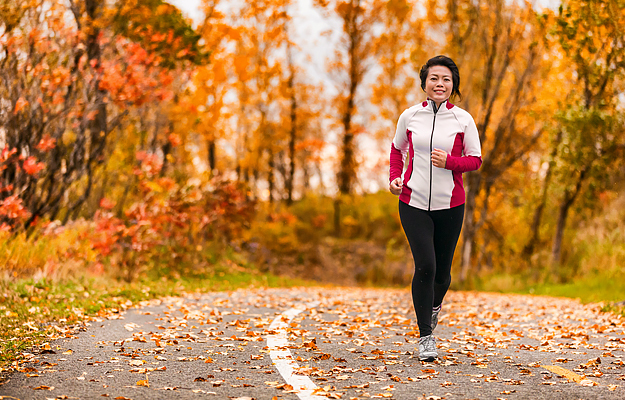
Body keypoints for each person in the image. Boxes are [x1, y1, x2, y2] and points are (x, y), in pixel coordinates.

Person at [388, 55, 482, 362]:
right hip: (412, 202)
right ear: (424, 83)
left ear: (453, 84)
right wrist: (394, 178)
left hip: (450, 205)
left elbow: (475, 160)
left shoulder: (463, 120)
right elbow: (397, 149)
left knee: (443, 275)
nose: (439, 84)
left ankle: (434, 306)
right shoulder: (410, 116)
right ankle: (425, 337)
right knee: (425, 266)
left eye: (446, 79)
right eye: (434, 79)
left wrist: (450, 162)